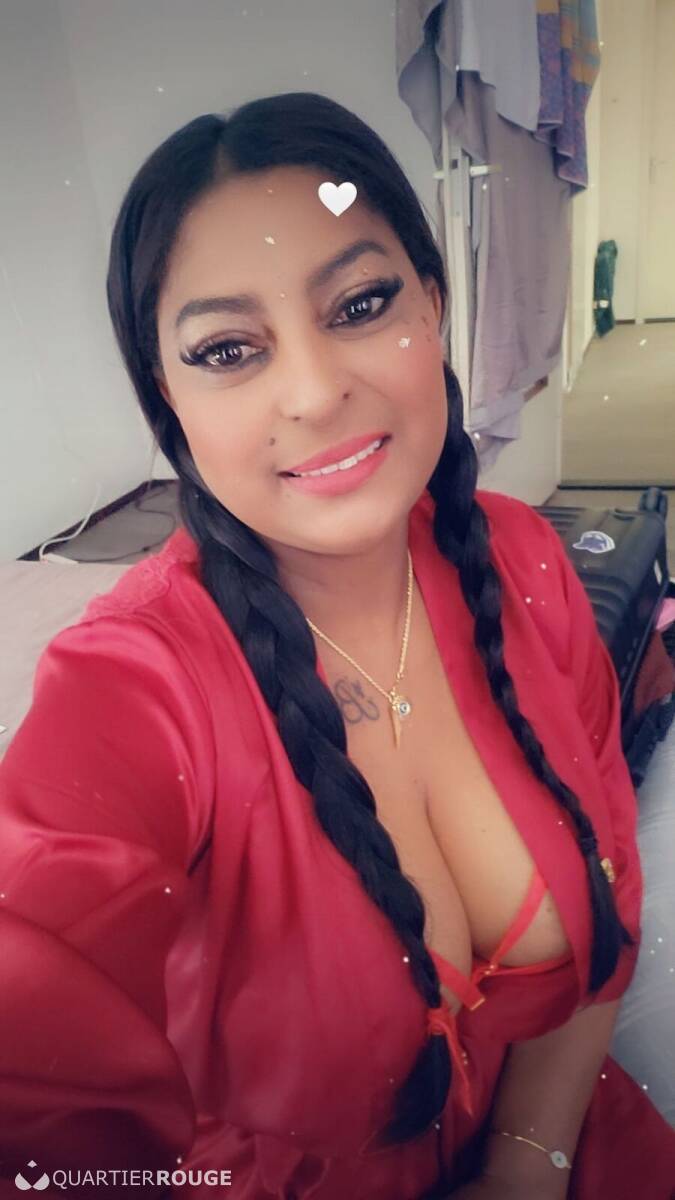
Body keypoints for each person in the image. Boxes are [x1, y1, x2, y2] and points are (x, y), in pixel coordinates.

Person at [0, 92, 673, 1200]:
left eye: (361, 304)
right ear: (169, 404)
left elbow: (613, 901)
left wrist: (528, 1161)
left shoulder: (525, 566)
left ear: (435, 308)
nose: (315, 392)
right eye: (227, 349)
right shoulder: (136, 686)